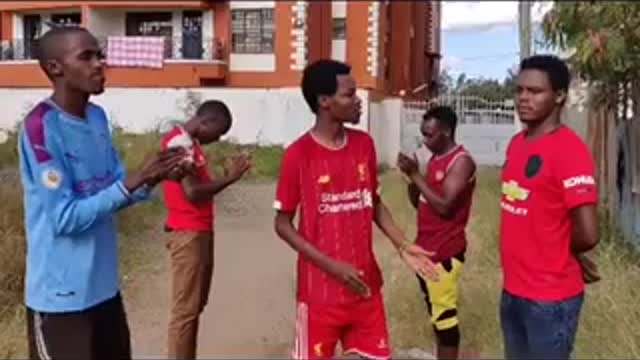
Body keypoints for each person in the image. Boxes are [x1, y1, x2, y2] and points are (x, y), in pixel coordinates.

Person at [18, 26, 188, 360]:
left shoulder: (97, 117)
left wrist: (154, 177)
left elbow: (116, 187)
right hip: (62, 300)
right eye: (87, 56)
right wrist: (131, 183)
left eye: (100, 55)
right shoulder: (40, 127)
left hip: (104, 291)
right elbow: (64, 218)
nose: (100, 64)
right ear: (55, 68)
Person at [273, 59, 439, 360]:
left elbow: (372, 202)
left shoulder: (364, 145)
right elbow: (282, 224)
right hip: (320, 295)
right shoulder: (298, 155)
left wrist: (402, 245)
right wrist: (332, 266)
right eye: (348, 95)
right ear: (324, 102)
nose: (358, 101)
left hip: (366, 290)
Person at [499, 54, 600, 359]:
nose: (523, 98)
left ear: (559, 96)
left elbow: (589, 233)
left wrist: (557, 248)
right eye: (520, 90)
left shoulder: (569, 150)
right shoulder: (518, 143)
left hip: (550, 301)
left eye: (535, 91)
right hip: (513, 291)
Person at [160, 100, 251, 359]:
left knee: (194, 306)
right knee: (185, 312)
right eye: (218, 132)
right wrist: (230, 178)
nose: (218, 138)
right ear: (205, 122)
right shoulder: (179, 144)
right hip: (188, 234)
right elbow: (193, 192)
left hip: (198, 232)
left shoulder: (191, 145)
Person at [397, 105, 477, 360]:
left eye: (429, 135)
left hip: (445, 252)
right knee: (436, 314)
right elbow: (420, 202)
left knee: (445, 321)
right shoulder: (434, 159)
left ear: (447, 131)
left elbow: (443, 206)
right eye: (423, 134)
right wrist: (412, 181)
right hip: (426, 250)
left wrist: (415, 174)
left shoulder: (461, 162)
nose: (425, 140)